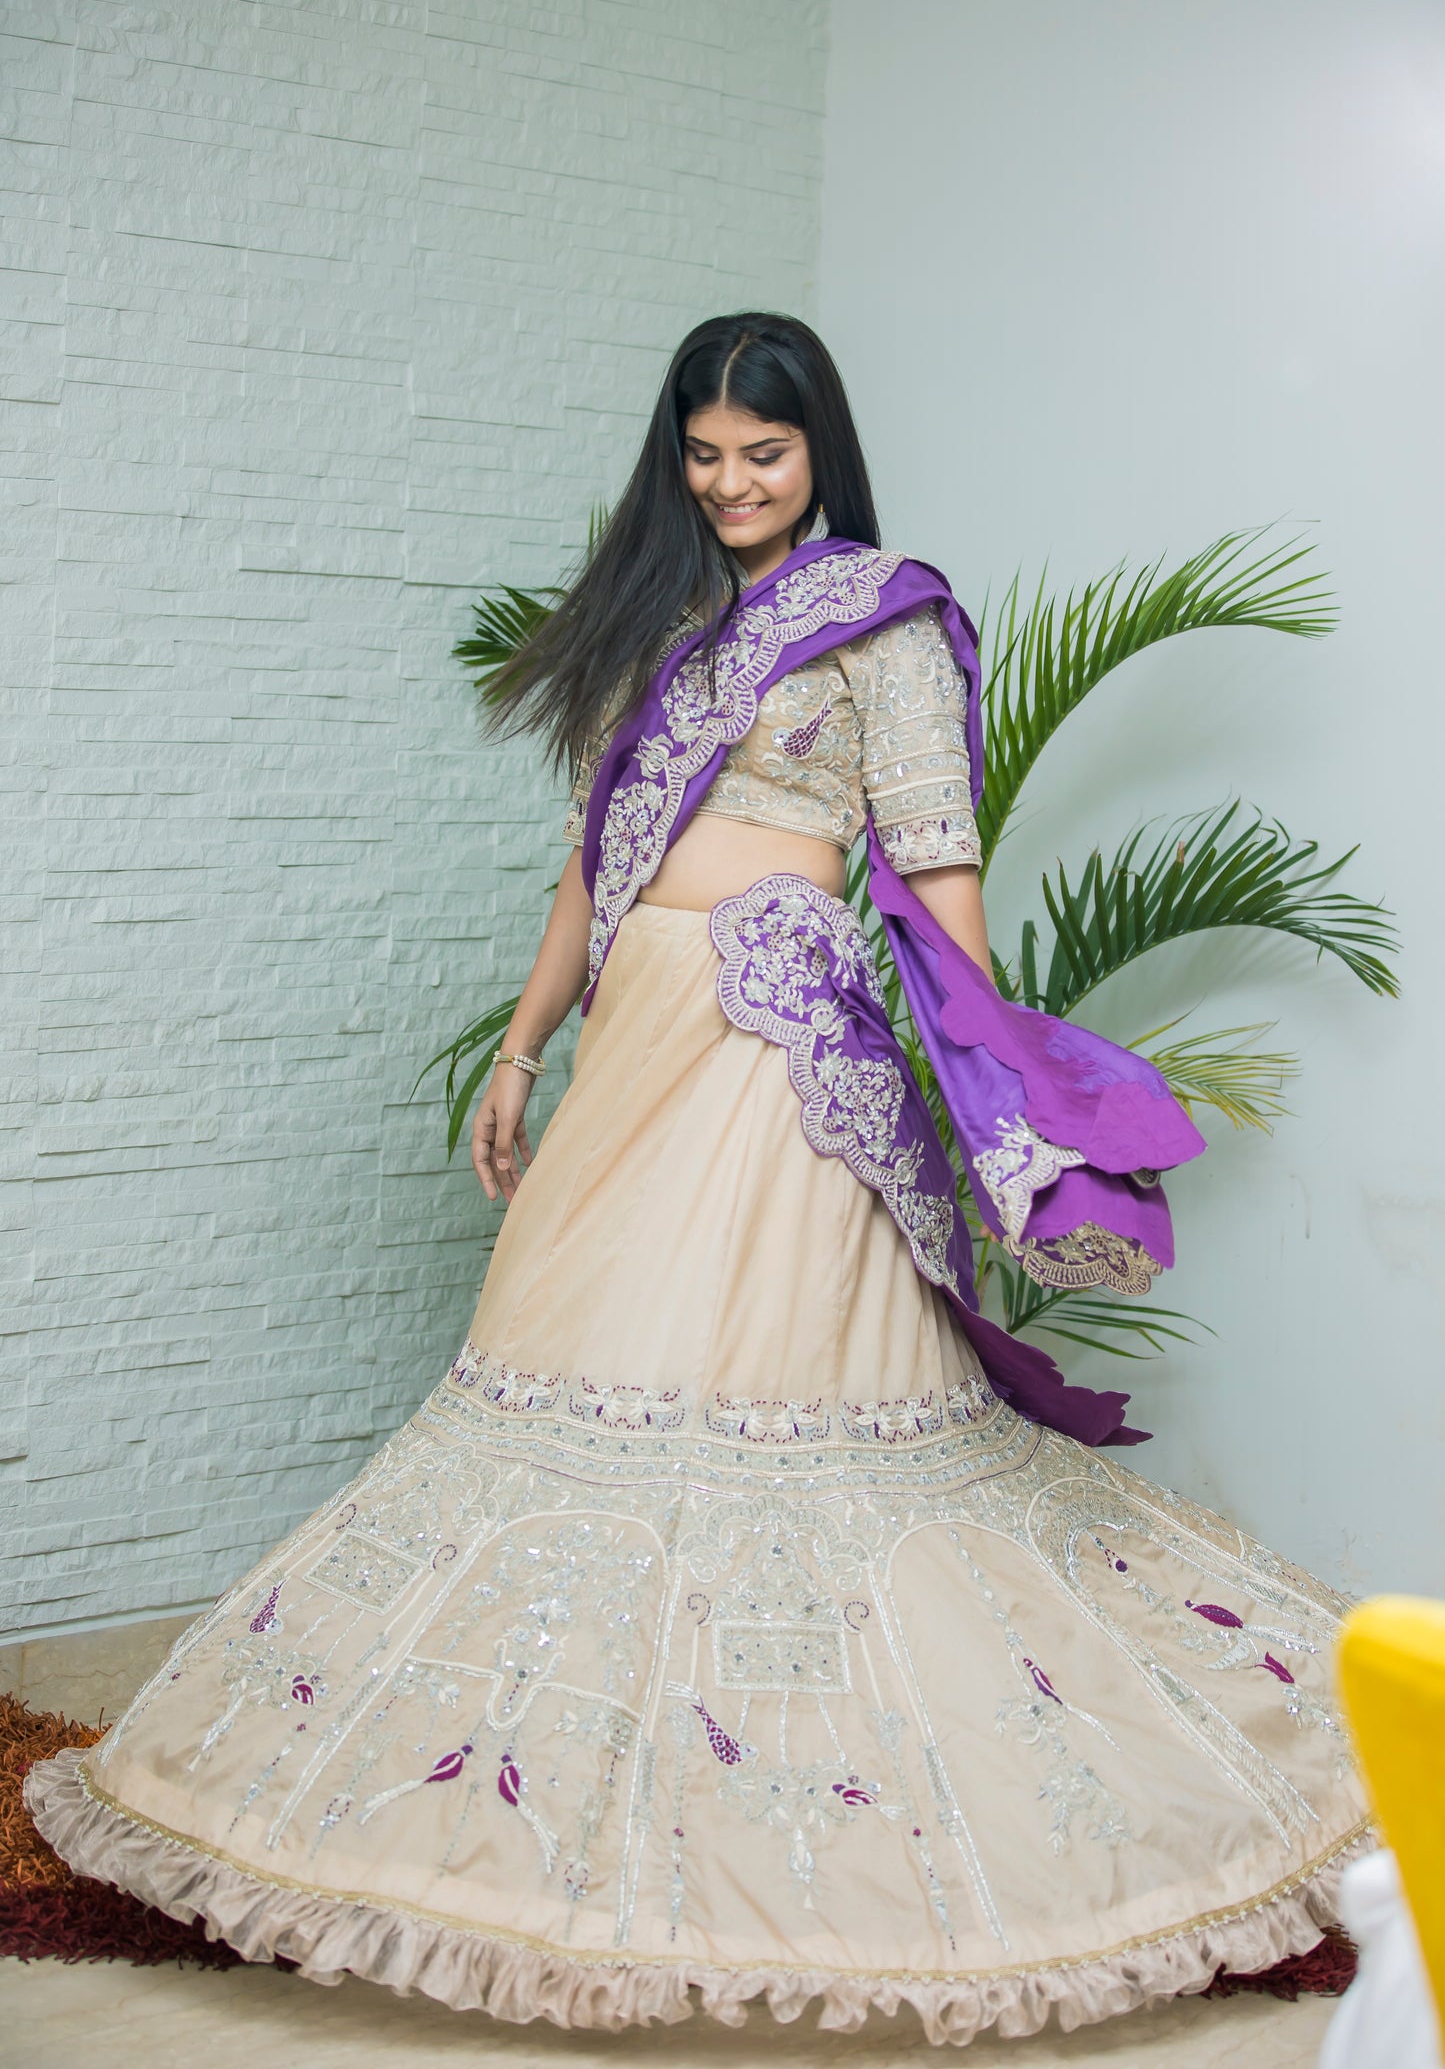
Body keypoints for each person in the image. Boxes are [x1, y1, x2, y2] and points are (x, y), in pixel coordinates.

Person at [28, 314, 1368, 2045]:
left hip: (776, 1029)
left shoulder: (877, 612)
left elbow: (937, 852)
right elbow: (591, 863)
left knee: (767, 1379)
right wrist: (521, 1049)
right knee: (562, 1380)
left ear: (822, 455)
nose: (732, 483)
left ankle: (801, 1812)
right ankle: (564, 1810)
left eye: (766, 454)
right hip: (639, 1031)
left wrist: (992, 1084)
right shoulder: (663, 619)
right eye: (706, 452)